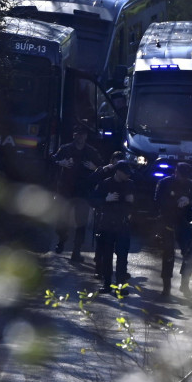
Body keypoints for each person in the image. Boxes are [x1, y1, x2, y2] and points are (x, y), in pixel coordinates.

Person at [51, 125, 104, 262]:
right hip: (65, 190)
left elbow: (103, 168)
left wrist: (95, 168)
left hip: (83, 191)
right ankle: (62, 239)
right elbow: (51, 160)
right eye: (78, 134)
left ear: (86, 136)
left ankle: (76, 251)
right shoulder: (65, 149)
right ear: (74, 135)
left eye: (83, 134)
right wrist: (60, 162)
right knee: (60, 220)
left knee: (81, 223)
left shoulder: (91, 152)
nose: (80, 137)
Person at [154, 162, 192, 299]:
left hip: (185, 222)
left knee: (189, 254)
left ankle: (184, 284)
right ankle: (166, 286)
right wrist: (174, 201)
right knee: (168, 255)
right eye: (182, 176)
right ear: (176, 172)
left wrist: (189, 200)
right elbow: (157, 201)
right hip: (168, 221)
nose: (183, 179)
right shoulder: (164, 183)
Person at [91, 160, 135, 294]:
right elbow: (92, 200)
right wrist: (106, 199)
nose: (127, 176)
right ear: (118, 172)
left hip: (122, 224)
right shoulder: (105, 184)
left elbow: (138, 203)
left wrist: (132, 205)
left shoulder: (131, 185)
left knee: (122, 256)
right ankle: (107, 284)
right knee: (107, 255)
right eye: (125, 173)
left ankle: (120, 286)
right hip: (107, 224)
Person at [88, 151, 126, 276]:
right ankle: (99, 267)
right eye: (115, 162)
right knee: (101, 240)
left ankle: (121, 270)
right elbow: (92, 181)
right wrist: (103, 170)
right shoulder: (105, 172)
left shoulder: (125, 175)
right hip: (104, 210)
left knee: (120, 244)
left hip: (119, 212)